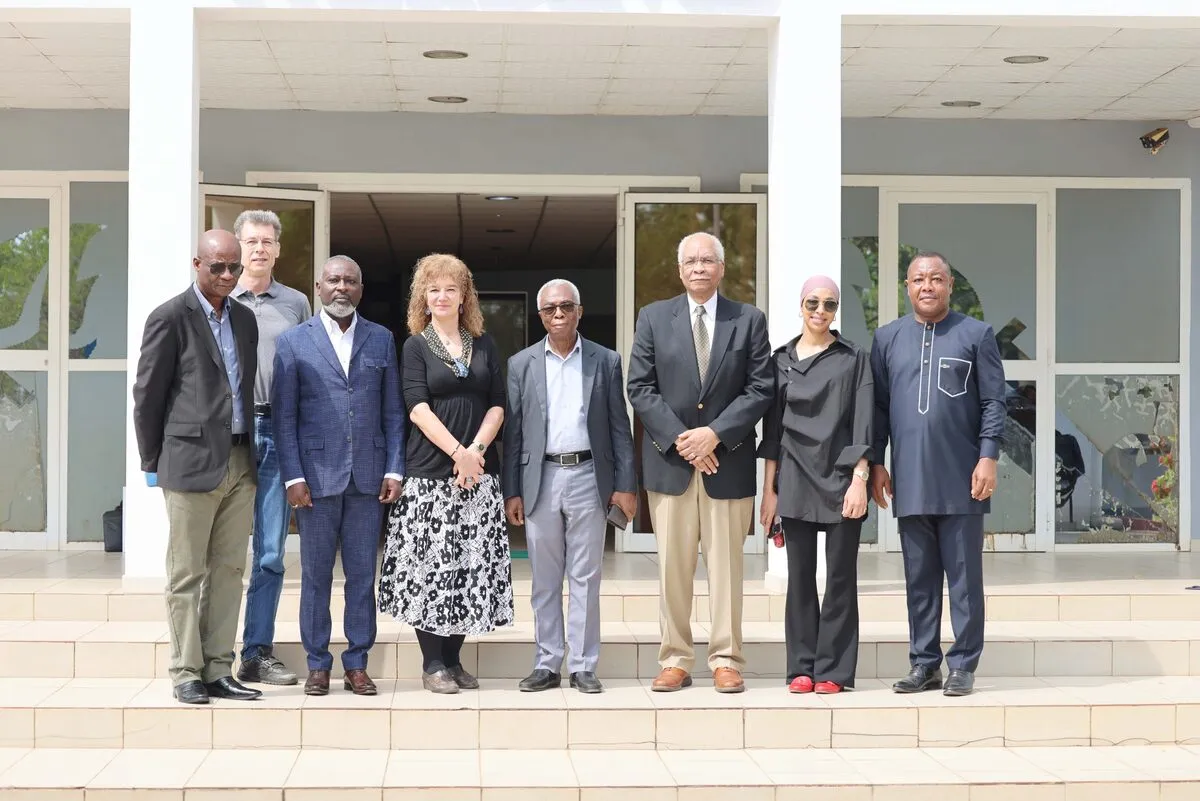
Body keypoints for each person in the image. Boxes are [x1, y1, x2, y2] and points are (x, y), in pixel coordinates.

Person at [626, 232, 773, 693]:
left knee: (728, 570)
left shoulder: (748, 320)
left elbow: (760, 388)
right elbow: (640, 387)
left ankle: (727, 659)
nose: (698, 268)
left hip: (727, 465)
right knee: (673, 568)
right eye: (690, 261)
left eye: (707, 260)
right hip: (671, 467)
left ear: (721, 268)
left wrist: (715, 435)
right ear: (679, 269)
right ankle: (676, 659)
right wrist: (682, 440)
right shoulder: (653, 318)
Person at [132, 229, 261, 705]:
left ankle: (218, 668)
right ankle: (185, 670)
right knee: (186, 572)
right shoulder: (170, 316)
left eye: (234, 267)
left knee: (229, 570)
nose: (227, 275)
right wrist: (154, 461)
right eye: (218, 267)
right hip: (188, 462)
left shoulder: (245, 319)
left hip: (241, 460)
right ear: (197, 264)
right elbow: (147, 395)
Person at [870, 251, 1006, 697]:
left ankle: (963, 665)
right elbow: (879, 409)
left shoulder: (976, 334)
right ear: (906, 287)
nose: (926, 286)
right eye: (917, 280)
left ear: (949, 284)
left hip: (963, 479)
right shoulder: (887, 338)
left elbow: (993, 402)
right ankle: (924, 663)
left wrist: (988, 456)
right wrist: (876, 463)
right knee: (919, 579)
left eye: (935, 279)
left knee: (964, 579)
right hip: (909, 478)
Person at [378, 253, 513, 694]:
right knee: (430, 570)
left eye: (450, 289)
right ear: (423, 297)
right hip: (430, 475)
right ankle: (432, 662)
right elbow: (416, 408)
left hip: (476, 475)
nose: (441, 296)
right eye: (432, 289)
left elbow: (497, 403)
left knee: (466, 569)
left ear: (464, 297)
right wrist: (457, 451)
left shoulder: (485, 344)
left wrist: (475, 452)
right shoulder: (414, 346)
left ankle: (454, 660)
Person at [272, 255, 404, 696]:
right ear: (319, 287)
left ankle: (358, 663)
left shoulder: (382, 340)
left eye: (350, 281)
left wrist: (394, 467)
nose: (341, 287)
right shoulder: (293, 342)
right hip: (315, 478)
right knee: (315, 576)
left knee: (363, 576)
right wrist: (292, 475)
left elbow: (392, 411)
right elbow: (284, 416)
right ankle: (317, 663)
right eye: (333, 281)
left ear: (360, 291)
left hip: (368, 479)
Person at [503, 279, 637, 694]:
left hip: (588, 476)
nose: (557, 314)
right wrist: (512, 490)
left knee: (586, 575)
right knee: (545, 578)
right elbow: (515, 434)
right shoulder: (521, 363)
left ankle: (582, 665)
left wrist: (626, 484)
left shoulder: (606, 360)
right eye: (549, 309)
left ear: (580, 311)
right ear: (540, 315)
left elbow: (620, 426)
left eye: (565, 307)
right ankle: (546, 663)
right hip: (539, 478)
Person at [758, 276, 873, 695]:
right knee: (800, 578)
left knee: (841, 577)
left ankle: (835, 671)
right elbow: (771, 432)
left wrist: (859, 479)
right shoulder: (780, 360)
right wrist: (769, 491)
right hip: (793, 479)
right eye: (813, 303)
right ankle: (802, 668)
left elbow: (864, 422)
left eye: (829, 304)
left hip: (842, 478)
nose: (820, 311)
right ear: (800, 306)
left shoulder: (854, 358)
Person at [230, 209, 312, 688]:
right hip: (230, 436)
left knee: (270, 552)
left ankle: (256, 651)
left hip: (280, 433)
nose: (259, 248)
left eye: (267, 241)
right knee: (219, 551)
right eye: (251, 241)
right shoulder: (219, 299)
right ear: (239, 246)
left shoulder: (297, 304)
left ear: (279, 249)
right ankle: (211, 652)